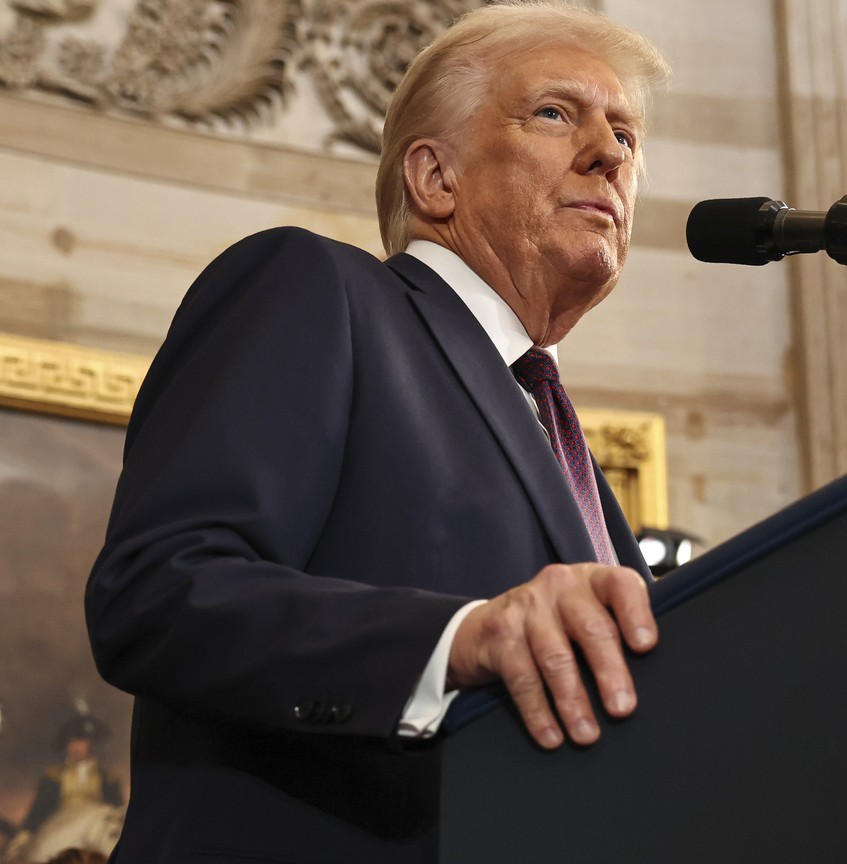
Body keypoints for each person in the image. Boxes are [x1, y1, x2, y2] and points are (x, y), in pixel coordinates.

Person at [84, 2, 670, 860]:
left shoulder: (562, 442)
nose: (610, 152)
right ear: (434, 178)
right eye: (555, 112)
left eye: (625, 132)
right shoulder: (315, 291)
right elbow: (157, 593)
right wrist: (458, 639)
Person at [4, 713, 123, 864]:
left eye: (80, 742)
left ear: (89, 744)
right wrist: (26, 833)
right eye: (71, 743)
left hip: (96, 829)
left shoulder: (108, 778)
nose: (75, 747)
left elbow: (116, 809)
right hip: (61, 825)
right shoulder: (54, 777)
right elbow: (39, 809)